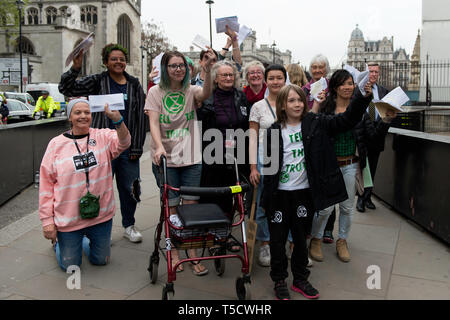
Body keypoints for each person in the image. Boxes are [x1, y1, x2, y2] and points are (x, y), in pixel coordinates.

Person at [261, 83, 373, 300]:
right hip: (279, 195)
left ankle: (301, 279)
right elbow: (270, 168)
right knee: (277, 241)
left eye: (300, 100)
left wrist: (362, 97)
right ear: (282, 105)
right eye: (291, 100)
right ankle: (279, 280)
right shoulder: (274, 131)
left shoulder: (315, 123)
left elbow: (346, 120)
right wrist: (267, 199)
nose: (297, 104)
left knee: (301, 240)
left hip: (304, 194)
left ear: (306, 102)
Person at [59, 43, 147, 243]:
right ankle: (98, 230)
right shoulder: (97, 81)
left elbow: (141, 118)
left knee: (130, 188)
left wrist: (137, 147)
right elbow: (66, 88)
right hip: (101, 147)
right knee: (98, 188)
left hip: (126, 147)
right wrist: (75, 68)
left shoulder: (134, 84)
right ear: (106, 62)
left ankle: (129, 225)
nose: (118, 62)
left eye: (122, 59)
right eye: (114, 59)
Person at [309, 69, 397, 263]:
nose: (348, 87)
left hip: (350, 164)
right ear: (334, 87)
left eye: (350, 83)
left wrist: (385, 121)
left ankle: (342, 240)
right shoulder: (325, 110)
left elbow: (373, 138)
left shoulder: (361, 113)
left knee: (347, 208)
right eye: (343, 83)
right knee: (325, 209)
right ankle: (315, 238)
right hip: (329, 165)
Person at [39, 98, 131, 271]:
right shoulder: (56, 145)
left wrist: (118, 121)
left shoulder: (102, 136)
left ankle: (82, 240)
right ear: (70, 117)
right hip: (69, 219)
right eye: (77, 112)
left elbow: (125, 142)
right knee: (70, 265)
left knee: (101, 260)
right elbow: (46, 184)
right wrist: (47, 222)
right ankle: (59, 242)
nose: (83, 116)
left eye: (87, 112)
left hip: (100, 216)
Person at [146, 49, 215, 276]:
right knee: (171, 207)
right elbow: (154, 123)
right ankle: (174, 250)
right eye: (173, 65)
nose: (178, 69)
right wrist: (158, 147)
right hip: (166, 157)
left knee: (191, 208)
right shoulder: (155, 92)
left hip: (191, 157)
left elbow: (205, 94)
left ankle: (192, 252)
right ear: (166, 69)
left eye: (181, 65)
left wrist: (208, 70)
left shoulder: (190, 90)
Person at [198, 59, 251, 252]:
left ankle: (225, 234)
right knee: (213, 196)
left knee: (230, 196)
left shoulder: (240, 96)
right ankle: (212, 236)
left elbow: (245, 125)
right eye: (224, 75)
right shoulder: (207, 97)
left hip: (236, 155)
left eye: (231, 75)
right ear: (216, 78)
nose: (228, 78)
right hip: (212, 154)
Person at [249, 64, 286, 267]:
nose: (275, 82)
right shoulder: (258, 107)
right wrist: (253, 167)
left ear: (284, 79)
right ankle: (265, 243)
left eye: (279, 78)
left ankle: (288, 243)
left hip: (288, 161)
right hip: (264, 161)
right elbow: (252, 138)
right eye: (271, 78)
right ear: (266, 81)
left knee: (287, 203)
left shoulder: (292, 102)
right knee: (263, 204)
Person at [356, 62, 390, 213]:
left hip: (378, 133)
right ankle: (361, 199)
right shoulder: (360, 90)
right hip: (363, 134)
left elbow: (388, 111)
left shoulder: (383, 91)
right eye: (371, 72)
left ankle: (368, 197)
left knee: (373, 168)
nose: (374, 74)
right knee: (364, 168)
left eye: (376, 72)